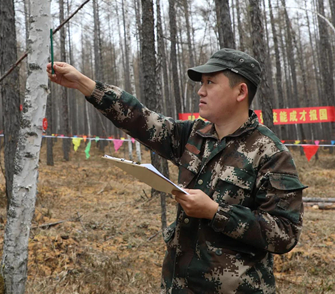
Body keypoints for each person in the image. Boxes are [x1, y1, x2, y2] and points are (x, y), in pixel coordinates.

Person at [47, 48, 306, 293]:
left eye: (210, 83)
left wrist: (216, 212)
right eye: (201, 83)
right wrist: (83, 83)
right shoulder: (193, 135)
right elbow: (139, 118)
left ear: (240, 92)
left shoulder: (270, 153)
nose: (200, 91)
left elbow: (285, 234)